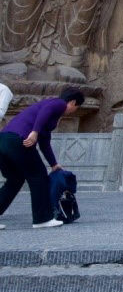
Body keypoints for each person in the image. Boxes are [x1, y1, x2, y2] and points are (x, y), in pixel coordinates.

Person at [0, 87, 82, 229]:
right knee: (38, 176)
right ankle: (42, 219)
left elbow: (45, 143)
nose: (74, 110)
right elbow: (45, 112)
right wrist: (34, 132)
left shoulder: (50, 116)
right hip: (19, 141)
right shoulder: (58, 103)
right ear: (73, 102)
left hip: (3, 142)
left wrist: (54, 164)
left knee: (15, 179)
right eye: (77, 107)